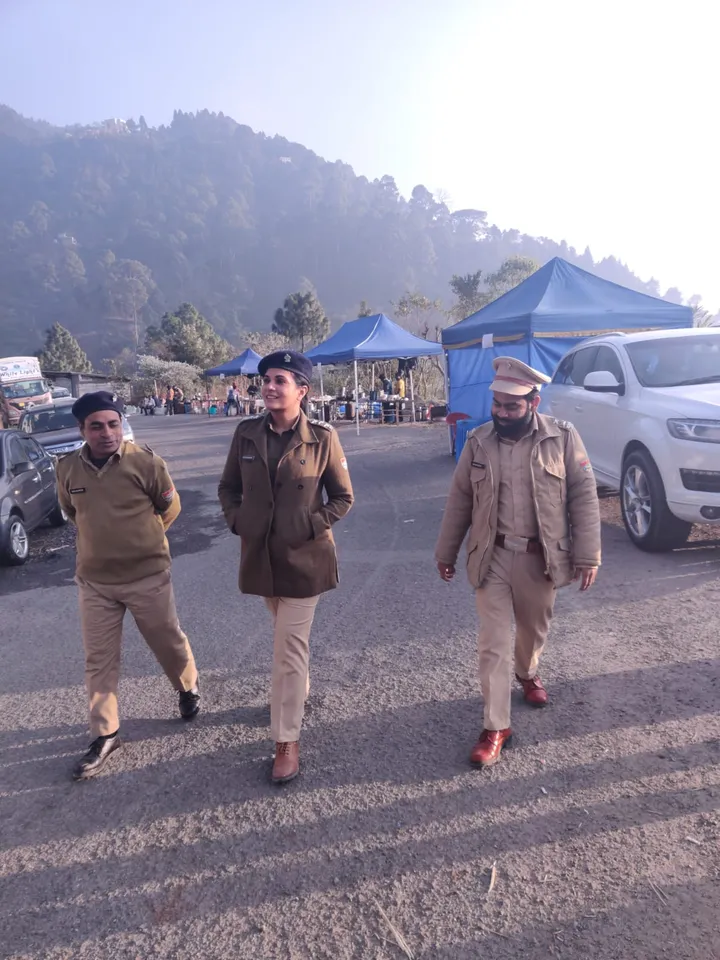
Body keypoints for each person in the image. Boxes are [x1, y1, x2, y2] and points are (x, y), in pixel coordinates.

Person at [434, 357, 601, 768]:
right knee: (492, 644)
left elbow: (583, 495)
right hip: (491, 558)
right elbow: (460, 500)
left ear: (534, 401)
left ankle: (527, 673)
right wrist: (445, 552)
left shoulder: (562, 437)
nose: (502, 413)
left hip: (540, 558)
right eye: (497, 404)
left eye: (512, 406)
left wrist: (588, 554)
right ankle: (496, 726)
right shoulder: (477, 441)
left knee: (533, 628)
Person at [218, 350, 354, 784]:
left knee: (286, 651)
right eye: (267, 380)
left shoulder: (323, 437)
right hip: (261, 558)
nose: (271, 386)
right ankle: (297, 692)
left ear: (302, 390)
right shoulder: (245, 434)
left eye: (281, 379)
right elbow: (228, 488)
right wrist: (239, 520)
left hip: (305, 559)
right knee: (288, 643)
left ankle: (286, 740)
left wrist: (309, 524)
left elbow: (343, 497)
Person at [57, 391, 200, 780]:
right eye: (97, 426)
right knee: (99, 659)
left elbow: (170, 506)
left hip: (147, 576)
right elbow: (72, 512)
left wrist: (145, 537)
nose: (107, 433)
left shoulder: (146, 462)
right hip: (95, 582)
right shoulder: (67, 468)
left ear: (122, 424)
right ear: (82, 429)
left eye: (113, 424)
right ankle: (105, 733)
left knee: (167, 641)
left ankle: (187, 688)